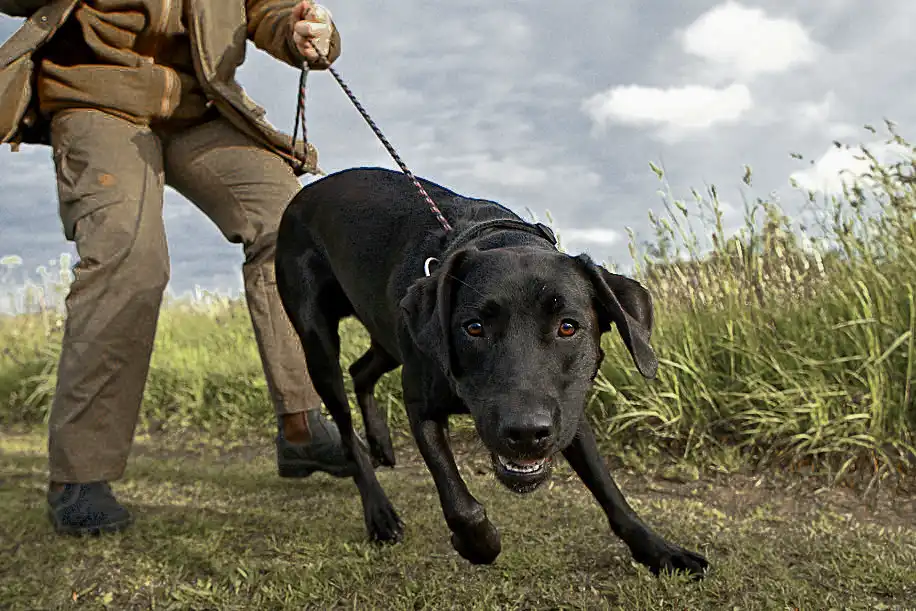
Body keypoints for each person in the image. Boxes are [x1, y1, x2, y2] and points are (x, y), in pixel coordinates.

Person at [0, 0, 365, 536]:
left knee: (291, 224)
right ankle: (79, 474)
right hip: (96, 100)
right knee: (130, 256)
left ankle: (302, 423)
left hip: (201, 108)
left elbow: (267, 9)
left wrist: (300, 29)